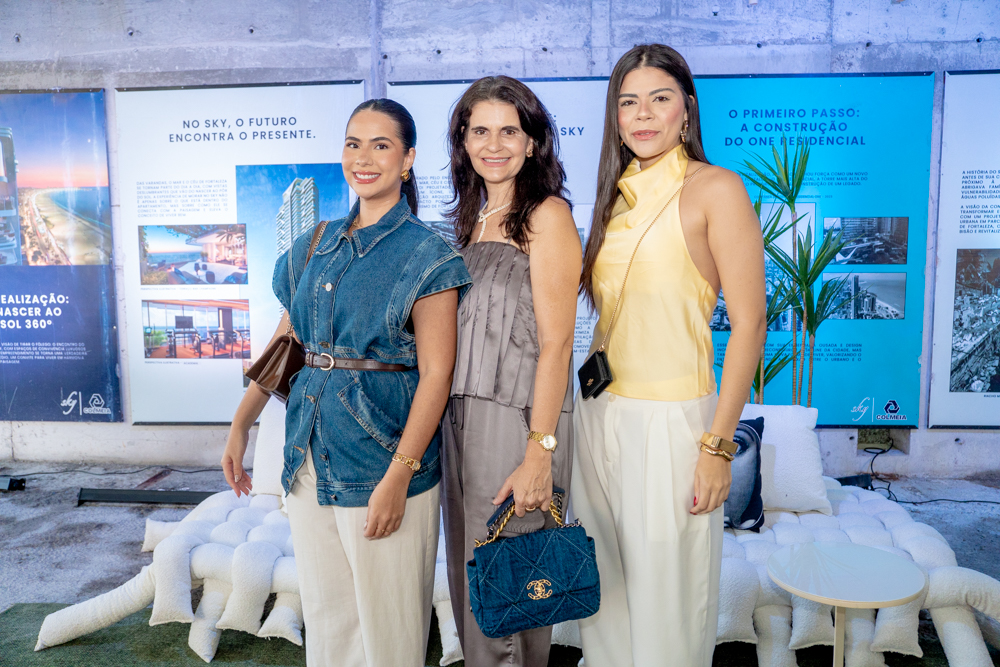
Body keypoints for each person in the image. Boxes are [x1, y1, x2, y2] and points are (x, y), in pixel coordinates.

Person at [220, 98, 472, 667]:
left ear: (408, 160)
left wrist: (399, 477)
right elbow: (285, 347)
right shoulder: (315, 242)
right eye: (353, 144)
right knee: (330, 625)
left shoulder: (429, 254)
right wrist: (241, 424)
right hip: (308, 454)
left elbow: (437, 374)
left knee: (389, 635)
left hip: (383, 462)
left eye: (381, 145)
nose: (364, 158)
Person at [573, 44, 767, 666]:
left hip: (673, 422)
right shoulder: (615, 194)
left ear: (688, 108)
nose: (643, 114)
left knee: (668, 605)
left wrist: (716, 447)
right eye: (628, 102)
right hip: (599, 414)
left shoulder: (716, 188)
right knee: (605, 596)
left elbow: (751, 323)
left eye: (660, 98)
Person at [440, 75, 582, 667]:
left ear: (532, 143)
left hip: (520, 417)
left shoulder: (546, 215)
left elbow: (558, 344)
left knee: (511, 582)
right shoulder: (468, 218)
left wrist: (539, 451)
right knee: (474, 578)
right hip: (458, 414)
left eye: (508, 131)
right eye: (480, 131)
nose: (493, 144)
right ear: (463, 141)